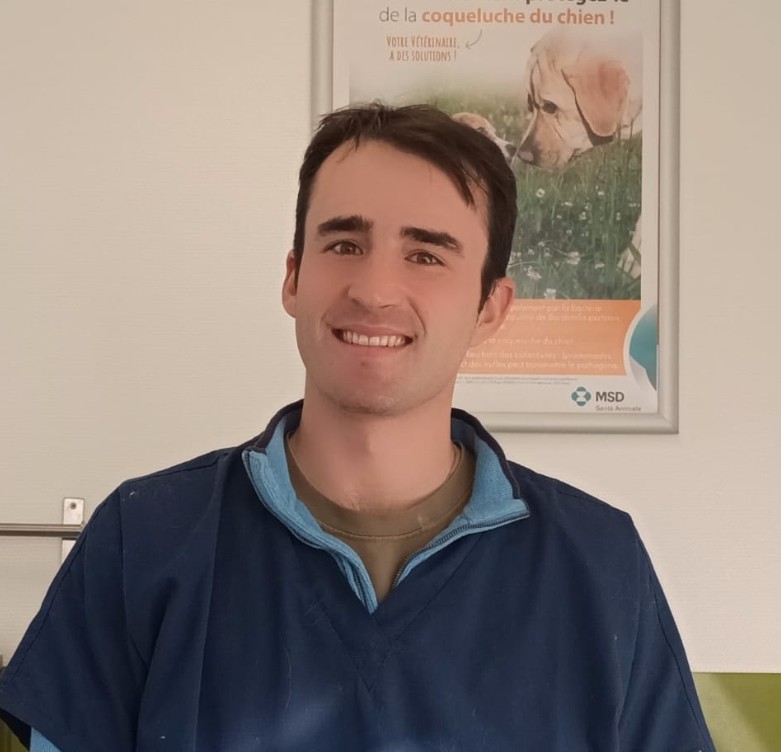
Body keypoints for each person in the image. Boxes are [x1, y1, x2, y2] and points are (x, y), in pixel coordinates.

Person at [0, 103, 715, 751]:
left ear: (490, 308)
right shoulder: (143, 540)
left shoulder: (598, 565)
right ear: (293, 277)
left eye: (426, 255)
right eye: (344, 244)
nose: (373, 290)